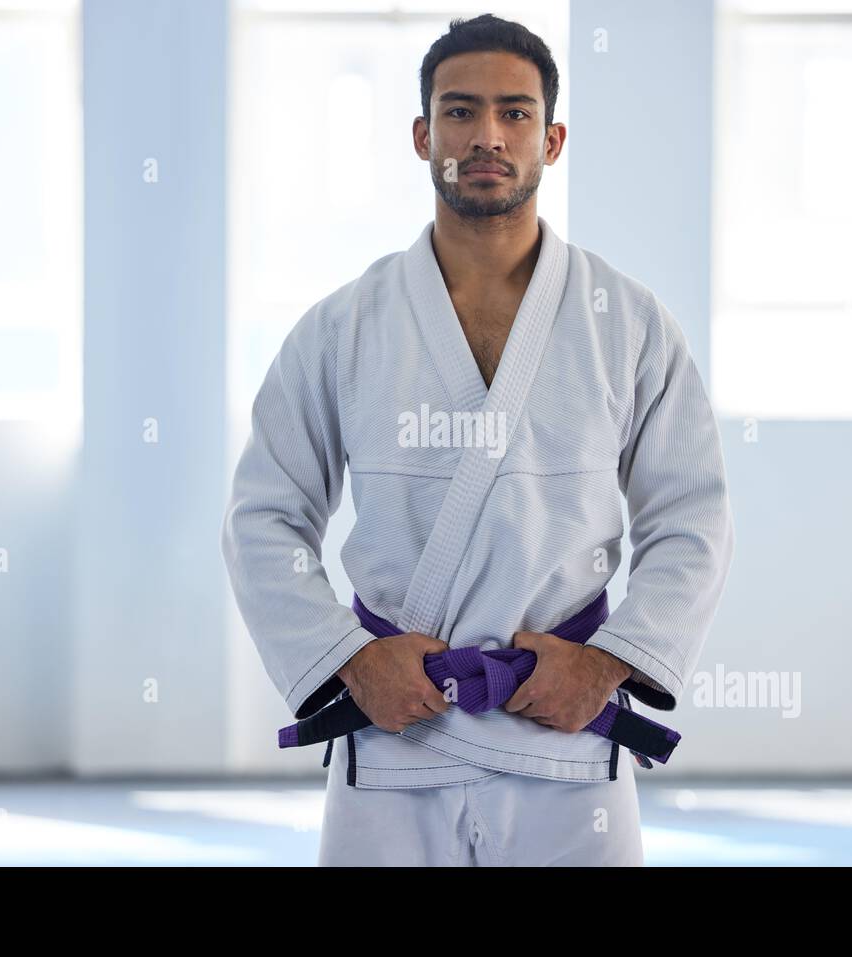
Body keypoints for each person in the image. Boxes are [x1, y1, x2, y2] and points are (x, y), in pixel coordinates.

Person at [221, 13, 735, 866]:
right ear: (423, 136)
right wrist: (351, 661)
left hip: (566, 733)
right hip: (393, 736)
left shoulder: (628, 322)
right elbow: (263, 517)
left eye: (515, 113)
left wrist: (606, 665)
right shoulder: (346, 326)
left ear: (553, 138)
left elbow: (693, 519)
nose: (487, 135)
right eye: (459, 112)